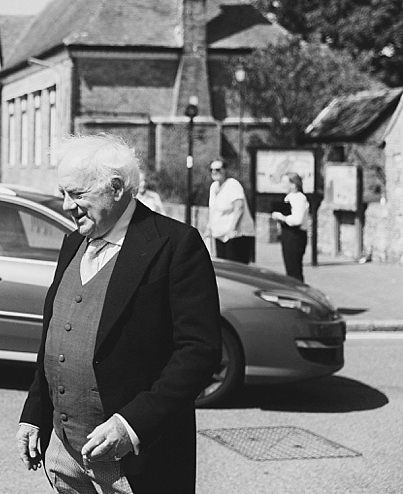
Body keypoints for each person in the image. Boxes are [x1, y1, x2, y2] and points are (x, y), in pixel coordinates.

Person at [16, 133, 221, 494]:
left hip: (135, 463)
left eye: (76, 194)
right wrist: (34, 414)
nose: (66, 205)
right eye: (63, 192)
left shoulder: (175, 245)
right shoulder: (73, 241)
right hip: (66, 454)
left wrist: (132, 425)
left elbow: (199, 352)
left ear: (115, 188)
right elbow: (55, 335)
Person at [206, 158, 255, 263]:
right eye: (212, 170)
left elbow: (239, 208)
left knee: (235, 268)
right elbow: (213, 210)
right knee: (223, 267)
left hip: (237, 236)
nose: (214, 172)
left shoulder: (232, 184)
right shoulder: (213, 187)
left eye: (218, 169)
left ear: (225, 170)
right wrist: (209, 227)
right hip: (220, 235)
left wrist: (232, 229)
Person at [271, 172, 309, 281]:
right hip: (288, 234)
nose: (282, 185)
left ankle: (299, 293)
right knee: (290, 268)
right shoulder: (290, 197)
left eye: (285, 182)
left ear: (293, 185)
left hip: (295, 235)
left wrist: (281, 217)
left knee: (294, 270)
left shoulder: (298, 198)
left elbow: (297, 220)